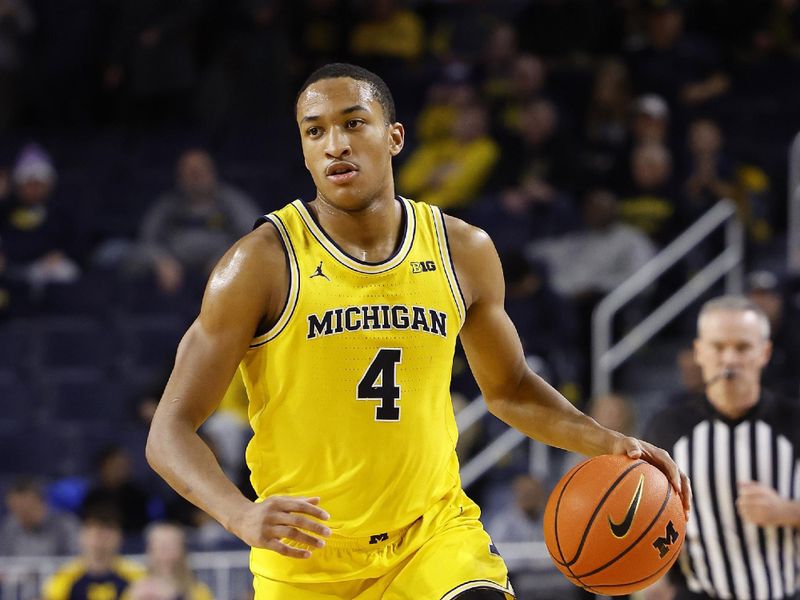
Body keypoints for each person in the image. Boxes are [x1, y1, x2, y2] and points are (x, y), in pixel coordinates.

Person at [146, 62, 690, 599]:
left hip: (431, 537)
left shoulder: (463, 251)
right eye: (315, 131)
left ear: (395, 137)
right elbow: (169, 430)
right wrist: (239, 515)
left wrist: (611, 442)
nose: (335, 143)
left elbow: (509, 389)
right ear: (305, 151)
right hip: (307, 559)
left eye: (353, 123)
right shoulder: (259, 264)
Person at [644, 296, 800, 600]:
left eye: (742, 347)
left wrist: (787, 511)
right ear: (699, 352)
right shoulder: (666, 428)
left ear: (764, 353)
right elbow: (650, 520)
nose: (729, 359)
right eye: (718, 347)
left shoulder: (794, 422)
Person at [41, 503, 145, 600]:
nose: (99, 538)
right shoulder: (65, 577)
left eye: (107, 530)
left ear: (119, 536)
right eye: (93, 530)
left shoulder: (136, 577)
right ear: (81, 536)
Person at [125, 522, 213, 600]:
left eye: (171, 546)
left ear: (182, 550)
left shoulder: (198, 591)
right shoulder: (138, 590)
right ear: (149, 550)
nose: (166, 552)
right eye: (161, 546)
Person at [0, 476, 80, 556]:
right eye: (15, 509)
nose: (21, 515)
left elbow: (76, 558)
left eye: (26, 508)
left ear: (41, 502)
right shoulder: (10, 526)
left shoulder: (65, 525)